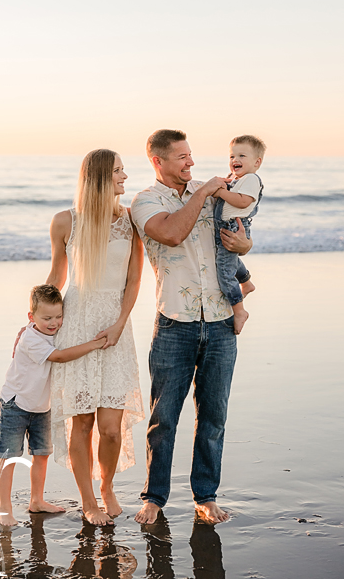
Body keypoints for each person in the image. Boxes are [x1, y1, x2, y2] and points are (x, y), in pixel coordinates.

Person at [130, 129, 252, 525]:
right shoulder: (145, 201)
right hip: (174, 323)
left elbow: (240, 234)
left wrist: (244, 246)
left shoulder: (213, 191)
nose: (191, 163)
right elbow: (170, 232)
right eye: (182, 157)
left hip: (219, 321)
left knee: (213, 416)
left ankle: (206, 495)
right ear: (158, 161)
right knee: (163, 419)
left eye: (191, 155)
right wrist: (202, 195)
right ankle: (154, 498)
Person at [47, 149, 145, 526]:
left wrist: (121, 322)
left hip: (115, 325)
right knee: (81, 422)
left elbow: (135, 279)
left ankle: (107, 486)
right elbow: (57, 277)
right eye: (119, 170)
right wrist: (38, 323)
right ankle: (88, 500)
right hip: (77, 321)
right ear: (102, 178)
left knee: (110, 427)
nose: (124, 176)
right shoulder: (64, 222)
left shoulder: (131, 221)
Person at [0, 284, 107, 526]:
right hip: (16, 403)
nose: (53, 323)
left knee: (42, 455)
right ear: (31, 317)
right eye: (46, 318)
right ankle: (4, 508)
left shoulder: (54, 331)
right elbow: (59, 356)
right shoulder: (30, 338)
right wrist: (93, 344)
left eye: (58, 317)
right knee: (10, 457)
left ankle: (36, 501)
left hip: (41, 407)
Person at [211, 134, 265, 335]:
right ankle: (246, 282)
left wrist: (221, 193)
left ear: (257, 162)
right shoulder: (239, 179)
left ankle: (239, 310)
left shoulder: (251, 179)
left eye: (242, 156)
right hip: (226, 226)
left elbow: (242, 201)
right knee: (229, 261)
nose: (235, 160)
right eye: (232, 156)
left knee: (225, 271)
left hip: (234, 226)